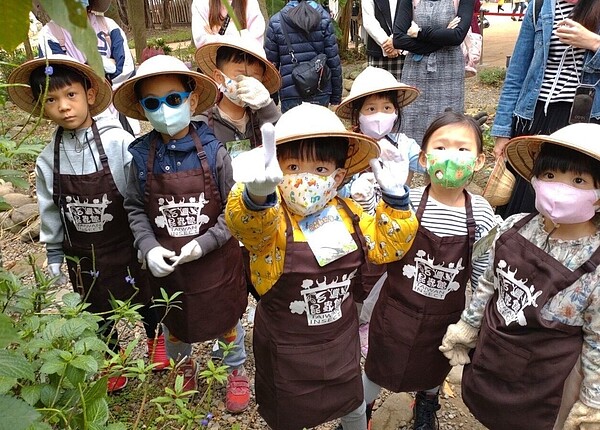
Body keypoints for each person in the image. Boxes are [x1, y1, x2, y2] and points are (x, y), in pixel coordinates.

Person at [225, 103, 419, 430]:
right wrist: (255, 198)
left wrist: (397, 200)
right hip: (285, 348)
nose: (306, 179)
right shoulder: (272, 219)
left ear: (338, 175)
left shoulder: (350, 212)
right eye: (293, 166)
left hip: (338, 341)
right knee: (287, 414)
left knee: (353, 406)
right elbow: (247, 228)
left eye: (319, 170)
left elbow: (388, 245)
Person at [7, 55, 168, 392]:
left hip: (126, 244)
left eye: (71, 96)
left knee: (145, 296)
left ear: (89, 94)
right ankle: (112, 359)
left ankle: (156, 342)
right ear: (41, 107)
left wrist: (147, 240)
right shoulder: (46, 158)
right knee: (96, 308)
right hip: (81, 252)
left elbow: (139, 195)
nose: (64, 107)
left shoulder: (117, 142)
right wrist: (53, 252)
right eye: (51, 100)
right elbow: (49, 208)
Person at [440, 122, 600, 430]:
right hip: (494, 354)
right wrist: (468, 325)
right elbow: (489, 283)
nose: (559, 187)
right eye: (550, 176)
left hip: (546, 380)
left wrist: (592, 402)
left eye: (578, 180)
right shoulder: (514, 226)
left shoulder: (594, 264)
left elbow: (597, 340)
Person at [113, 55, 251, 413]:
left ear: (191, 99)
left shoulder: (215, 152)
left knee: (226, 318)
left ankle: (233, 370)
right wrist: (147, 247)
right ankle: (182, 366)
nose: (165, 110)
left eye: (173, 99)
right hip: (169, 266)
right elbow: (134, 208)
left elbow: (233, 213)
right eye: (153, 103)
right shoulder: (141, 159)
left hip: (216, 264)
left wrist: (204, 243)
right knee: (175, 318)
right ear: (143, 111)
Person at [360, 111, 496, 430]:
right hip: (395, 310)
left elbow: (481, 276)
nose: (451, 156)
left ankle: (426, 404)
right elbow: (379, 245)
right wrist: (370, 201)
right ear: (422, 159)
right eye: (441, 147)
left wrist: (472, 322)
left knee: (434, 365)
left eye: (463, 149)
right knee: (377, 366)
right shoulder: (405, 202)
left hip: (444, 317)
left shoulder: (482, 214)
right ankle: (360, 412)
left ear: (478, 161)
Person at [195, 31, 282, 303]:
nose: (247, 85)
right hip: (220, 217)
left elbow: (290, 147)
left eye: (254, 79)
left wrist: (267, 106)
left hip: (262, 213)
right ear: (220, 78)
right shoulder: (201, 122)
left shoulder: (263, 116)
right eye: (240, 76)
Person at [491, 0, 600, 218]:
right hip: (534, 115)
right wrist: (502, 131)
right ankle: (520, 251)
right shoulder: (540, 5)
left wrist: (595, 43)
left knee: (575, 199)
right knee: (525, 200)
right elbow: (517, 72)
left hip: (584, 122)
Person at [38, 0, 138, 135]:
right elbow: (58, 75)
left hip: (116, 109)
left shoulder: (108, 26)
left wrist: (86, 68)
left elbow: (126, 69)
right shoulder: (50, 33)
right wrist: (106, 65)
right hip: (79, 113)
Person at [392, 0, 475, 146]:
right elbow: (398, 39)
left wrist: (419, 33)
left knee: (449, 126)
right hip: (415, 72)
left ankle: (445, 168)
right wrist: (442, 38)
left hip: (449, 73)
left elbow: (457, 36)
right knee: (410, 127)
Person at [264, 0, 343, 112]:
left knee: (294, 129)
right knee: (319, 129)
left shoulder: (276, 21)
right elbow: (333, 61)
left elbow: (271, 66)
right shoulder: (324, 18)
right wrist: (336, 96)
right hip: (320, 89)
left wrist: (273, 98)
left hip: (290, 92)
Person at [191, 0, 265, 49]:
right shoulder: (200, 3)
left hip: (245, 65)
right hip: (214, 66)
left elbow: (255, 44)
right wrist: (242, 37)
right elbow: (201, 41)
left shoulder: (250, 2)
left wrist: (215, 38)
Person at [361, 0, 405, 80]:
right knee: (378, 90)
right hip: (378, 52)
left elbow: (413, 17)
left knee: (405, 91)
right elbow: (369, 21)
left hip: (404, 52)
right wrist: (386, 43)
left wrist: (395, 41)